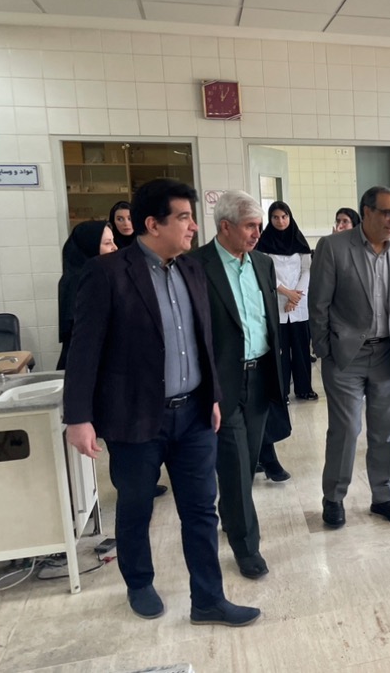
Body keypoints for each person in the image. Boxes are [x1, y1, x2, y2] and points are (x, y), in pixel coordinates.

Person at [63, 178, 259, 626]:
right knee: (136, 506)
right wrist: (79, 417)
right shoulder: (107, 273)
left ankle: (208, 599)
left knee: (201, 510)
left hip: (193, 414)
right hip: (135, 416)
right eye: (184, 217)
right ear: (153, 224)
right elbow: (83, 349)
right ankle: (139, 582)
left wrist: (212, 396)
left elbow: (204, 339)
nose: (193, 226)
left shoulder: (192, 268)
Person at [309, 186, 390, 528]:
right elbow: (319, 303)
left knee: (384, 431)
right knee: (346, 429)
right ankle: (334, 497)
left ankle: (383, 496)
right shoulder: (333, 247)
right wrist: (324, 349)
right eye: (387, 212)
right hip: (346, 356)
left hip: (387, 354)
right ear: (366, 212)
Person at [195, 191, 288, 579]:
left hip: (261, 374)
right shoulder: (196, 266)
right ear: (225, 227)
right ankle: (246, 546)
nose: (257, 233)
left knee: (246, 463)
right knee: (234, 466)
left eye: (259, 225)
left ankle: (231, 512)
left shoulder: (263, 263)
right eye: (250, 226)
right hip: (223, 381)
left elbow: (269, 320)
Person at [257, 201, 317, 404]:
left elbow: (306, 270)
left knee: (301, 349)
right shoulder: (263, 243)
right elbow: (265, 272)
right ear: (270, 219)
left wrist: (295, 297)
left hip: (298, 304)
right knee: (280, 351)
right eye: (275, 217)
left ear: (290, 217)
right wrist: (286, 293)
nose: (280, 221)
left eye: (284, 217)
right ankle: (281, 392)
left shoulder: (299, 241)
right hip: (277, 302)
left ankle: (304, 389)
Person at [57, 220, 117, 370]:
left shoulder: (98, 275)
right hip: (87, 364)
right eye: (108, 243)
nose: (115, 248)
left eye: (113, 241)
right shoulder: (80, 280)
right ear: (90, 247)